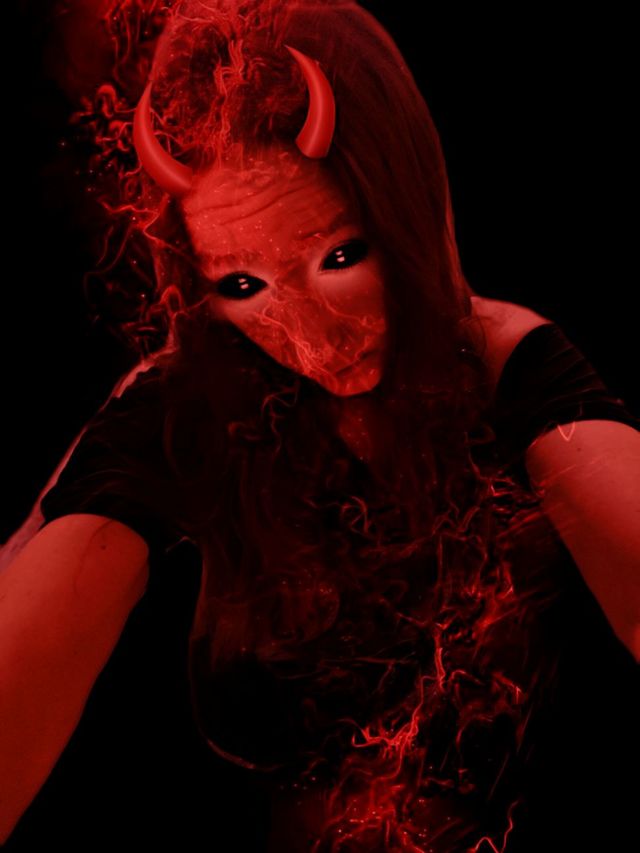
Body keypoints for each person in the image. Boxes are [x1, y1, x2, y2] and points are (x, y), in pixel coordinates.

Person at [2, 1, 639, 850]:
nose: (309, 338)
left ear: (402, 209)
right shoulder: (183, 407)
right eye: (242, 285)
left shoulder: (507, 368)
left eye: (338, 257)